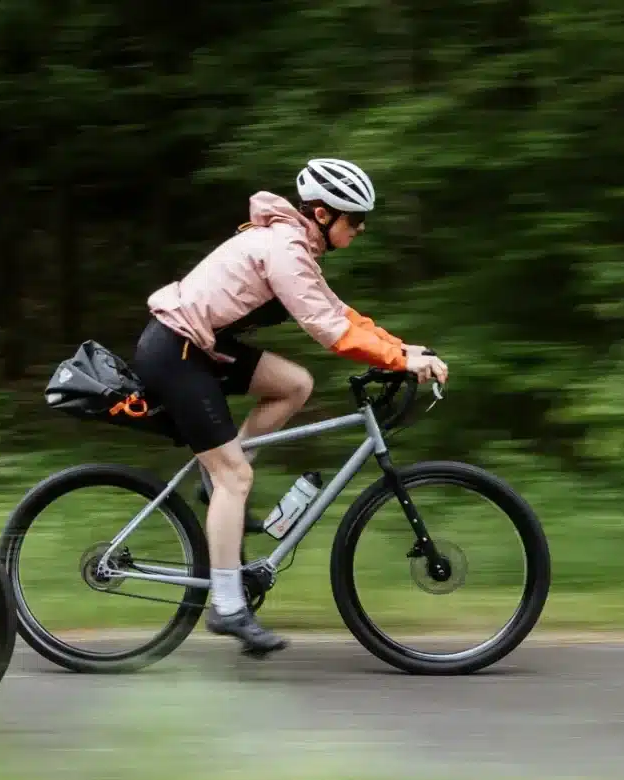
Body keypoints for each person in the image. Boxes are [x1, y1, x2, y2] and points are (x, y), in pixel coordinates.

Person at [133, 157, 448, 657]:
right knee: (238, 477)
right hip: (177, 352)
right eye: (354, 218)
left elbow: (342, 314)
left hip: (202, 346)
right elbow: (331, 333)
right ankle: (228, 605)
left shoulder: (296, 247)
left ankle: (221, 480)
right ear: (323, 214)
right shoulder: (284, 248)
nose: (361, 227)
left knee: (294, 384)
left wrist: (404, 350)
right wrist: (399, 359)